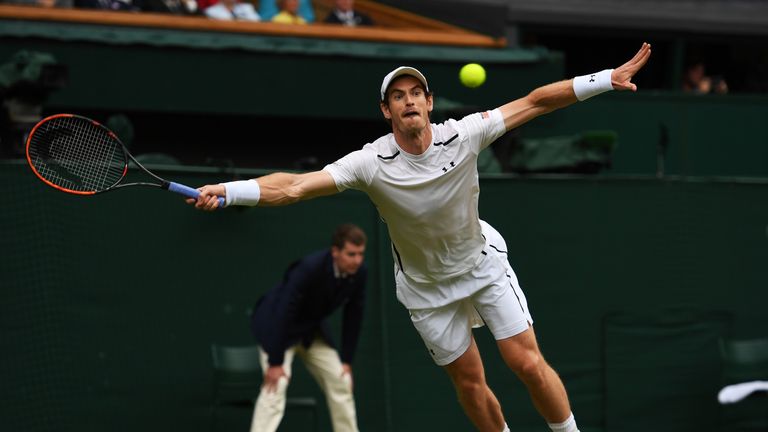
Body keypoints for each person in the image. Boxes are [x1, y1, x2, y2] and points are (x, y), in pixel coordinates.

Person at [189, 42, 652, 432]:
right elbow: (292, 186)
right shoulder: (370, 163)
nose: (408, 100)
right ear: (386, 110)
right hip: (425, 290)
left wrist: (605, 77)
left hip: (481, 265)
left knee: (526, 363)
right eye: (398, 95)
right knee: (470, 384)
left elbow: (536, 102)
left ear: (429, 102)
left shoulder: (465, 134)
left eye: (416, 93)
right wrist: (230, 192)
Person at [249, 224, 367, 432]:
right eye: (351, 254)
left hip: (311, 331)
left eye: (360, 254)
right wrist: (275, 362)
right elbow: (283, 312)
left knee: (341, 380)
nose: (357, 260)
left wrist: (347, 361)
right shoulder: (309, 268)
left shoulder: (359, 273)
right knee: (276, 385)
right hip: (277, 328)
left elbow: (354, 315)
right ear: (335, 252)